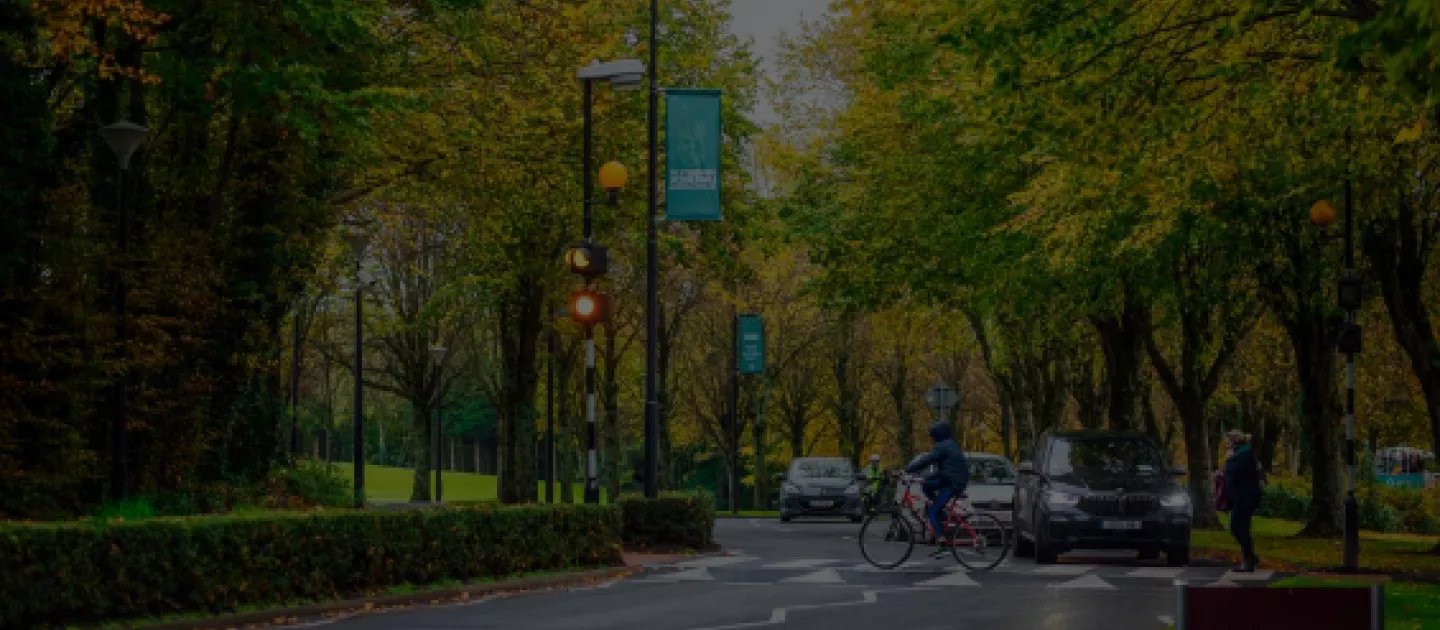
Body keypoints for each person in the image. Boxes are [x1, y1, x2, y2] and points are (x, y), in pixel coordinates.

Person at [905, 422, 969, 558]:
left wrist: (909, 469)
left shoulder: (942, 446)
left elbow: (927, 460)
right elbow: (945, 470)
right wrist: (925, 478)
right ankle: (940, 512)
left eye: (933, 436)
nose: (932, 439)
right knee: (926, 485)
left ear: (938, 435)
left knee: (932, 511)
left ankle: (941, 539)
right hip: (951, 479)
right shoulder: (951, 444)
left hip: (952, 484)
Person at [1224, 430, 1262, 572]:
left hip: (1245, 497)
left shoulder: (1243, 455)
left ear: (1234, 442)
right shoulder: (1243, 454)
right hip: (1243, 497)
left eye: (1227, 442)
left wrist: (1229, 461)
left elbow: (1234, 473)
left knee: (1236, 526)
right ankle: (1249, 557)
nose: (1226, 445)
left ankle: (1249, 558)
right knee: (1241, 527)